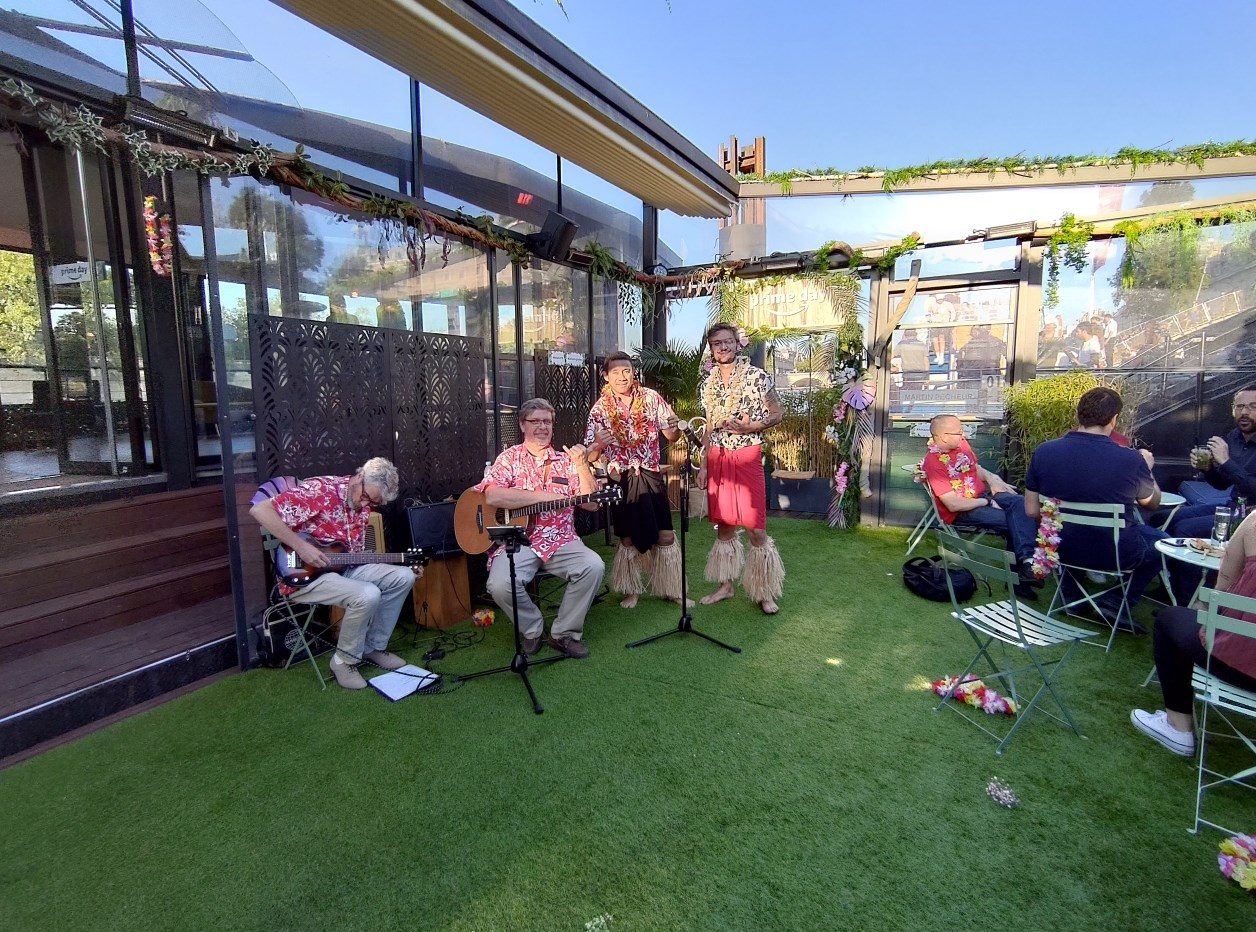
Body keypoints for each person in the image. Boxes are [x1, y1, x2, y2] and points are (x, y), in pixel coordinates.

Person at [250, 457, 416, 690]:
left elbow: (351, 557)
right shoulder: (320, 491)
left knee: (404, 577)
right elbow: (259, 510)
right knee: (367, 594)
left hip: (342, 570)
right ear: (359, 477)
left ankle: (372, 648)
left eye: (373, 502)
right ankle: (343, 662)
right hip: (302, 575)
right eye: (366, 496)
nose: (365, 504)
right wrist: (301, 547)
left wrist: (398, 561)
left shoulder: (363, 507)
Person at [1024, 387, 1168, 631]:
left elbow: (1030, 510)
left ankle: (1072, 597)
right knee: (1162, 544)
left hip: (1060, 548)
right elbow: (1152, 503)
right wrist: (1148, 468)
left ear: (1078, 415)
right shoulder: (1131, 459)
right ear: (1114, 419)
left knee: (1071, 530)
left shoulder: (1045, 451)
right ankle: (1115, 601)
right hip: (1114, 553)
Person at [479, 398, 605, 659]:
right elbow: (492, 495)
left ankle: (564, 633)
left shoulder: (567, 461)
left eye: (547, 421)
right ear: (522, 425)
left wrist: (582, 464)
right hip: (518, 540)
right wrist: (541, 497)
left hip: (561, 539)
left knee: (593, 566)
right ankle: (532, 629)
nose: (542, 426)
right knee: (499, 584)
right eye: (535, 421)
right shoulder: (509, 458)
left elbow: (592, 504)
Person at [1131, 510, 1256, 756]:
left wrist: (1202, 606)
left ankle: (1178, 727)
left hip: (1240, 664)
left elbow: (1225, 581)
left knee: (1170, 619)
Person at [584, 351, 686, 609]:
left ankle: (671, 588)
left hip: (650, 473)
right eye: (615, 372)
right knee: (628, 538)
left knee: (666, 535)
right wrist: (598, 444)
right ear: (605, 376)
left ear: (633, 373)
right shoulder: (599, 410)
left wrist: (674, 428)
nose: (622, 376)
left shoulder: (651, 398)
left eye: (626, 371)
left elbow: (672, 436)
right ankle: (632, 590)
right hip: (620, 478)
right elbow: (591, 456)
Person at [696, 323, 785, 614]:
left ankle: (764, 591)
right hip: (717, 456)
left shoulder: (757, 376)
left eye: (727, 341)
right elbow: (709, 426)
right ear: (711, 349)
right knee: (724, 525)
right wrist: (703, 465)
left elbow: (777, 414)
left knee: (755, 527)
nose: (723, 347)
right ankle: (726, 585)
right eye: (716, 343)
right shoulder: (707, 383)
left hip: (747, 454)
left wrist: (751, 426)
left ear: (737, 344)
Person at [922, 415, 1041, 597]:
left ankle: (1027, 563)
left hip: (982, 495)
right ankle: (1021, 579)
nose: (963, 435)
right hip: (963, 510)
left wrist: (992, 479)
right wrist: (988, 502)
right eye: (959, 432)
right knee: (1014, 522)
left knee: (1020, 503)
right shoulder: (933, 462)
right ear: (943, 437)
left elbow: (975, 468)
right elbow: (953, 504)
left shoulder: (961, 445)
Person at [1178, 387, 1256, 508]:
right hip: (1235, 507)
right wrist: (1207, 468)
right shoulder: (1234, 436)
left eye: (1253, 406)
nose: (1244, 412)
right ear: (1233, 410)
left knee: (1179, 523)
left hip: (1252, 515)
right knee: (1162, 516)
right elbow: (1222, 484)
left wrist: (1226, 461)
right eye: (1239, 406)